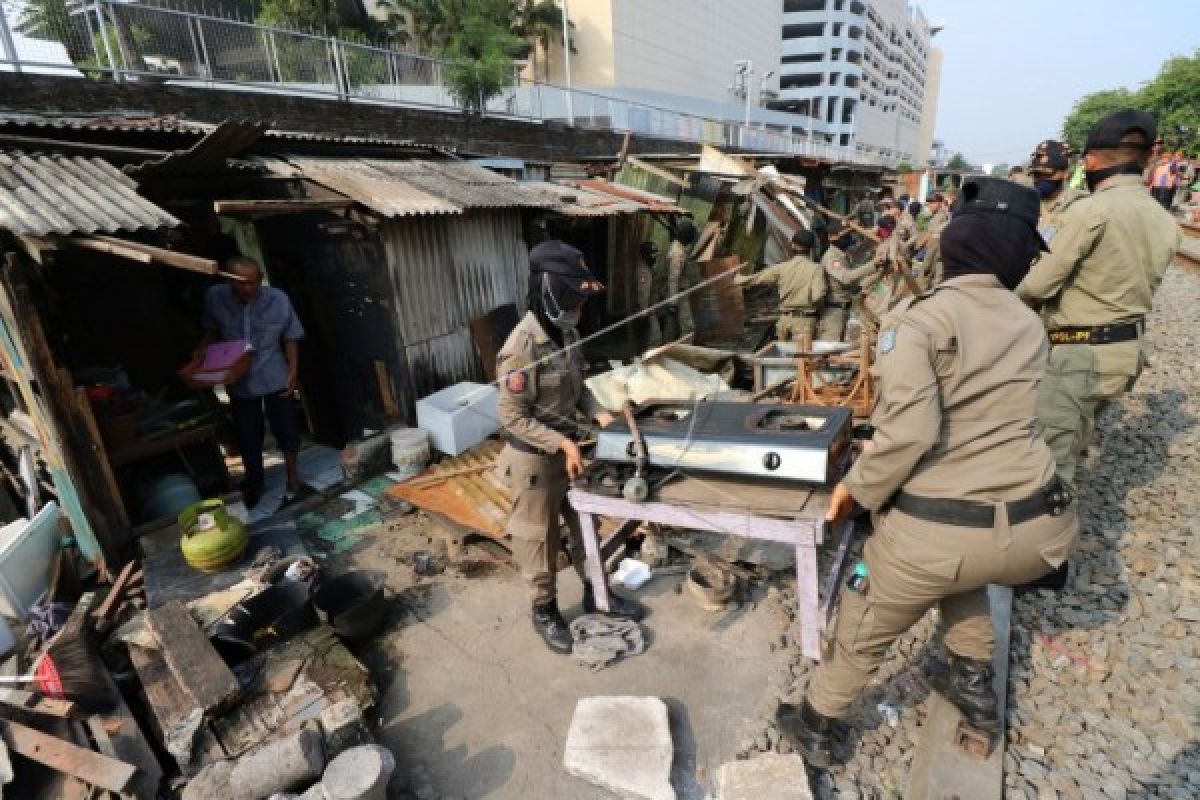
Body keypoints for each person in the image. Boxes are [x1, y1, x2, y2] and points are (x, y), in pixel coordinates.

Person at [777, 177, 1079, 767]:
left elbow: (909, 434)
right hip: (1040, 532)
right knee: (964, 570)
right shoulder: (1027, 321)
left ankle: (816, 722)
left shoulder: (918, 321)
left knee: (864, 624)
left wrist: (854, 492)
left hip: (936, 537)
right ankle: (974, 687)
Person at [1017, 110, 1181, 494]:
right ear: (1145, 159)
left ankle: (1049, 549)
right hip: (1126, 354)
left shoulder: (1089, 211)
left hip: (1078, 356)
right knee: (1076, 437)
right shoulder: (1163, 218)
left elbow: (1036, 286)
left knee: (1048, 472)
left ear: (1089, 161)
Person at [496, 239, 642, 654]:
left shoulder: (569, 333)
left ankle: (598, 593)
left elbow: (579, 390)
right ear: (549, 292)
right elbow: (512, 417)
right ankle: (545, 612)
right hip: (534, 464)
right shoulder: (520, 347)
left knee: (585, 530)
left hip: (569, 457)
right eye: (572, 296)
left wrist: (600, 416)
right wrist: (561, 441)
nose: (578, 306)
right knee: (537, 542)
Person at [198, 257, 304, 509]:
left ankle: (293, 479)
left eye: (254, 283)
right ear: (229, 279)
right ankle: (254, 484)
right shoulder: (215, 297)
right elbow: (212, 330)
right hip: (239, 381)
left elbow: (291, 338)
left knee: (287, 430)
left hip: (274, 375)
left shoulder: (278, 300)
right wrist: (202, 349)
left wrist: (293, 372)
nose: (249, 289)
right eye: (242, 283)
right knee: (248, 437)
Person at [734, 230, 826, 343]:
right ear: (811, 248)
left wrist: (737, 278)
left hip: (784, 321)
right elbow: (817, 296)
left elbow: (756, 278)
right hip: (805, 322)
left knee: (783, 354)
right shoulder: (816, 269)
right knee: (802, 358)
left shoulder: (781, 267)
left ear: (793, 245)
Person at [818, 221, 875, 341]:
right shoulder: (832, 257)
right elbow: (846, 278)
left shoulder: (843, 256)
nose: (847, 238)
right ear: (831, 237)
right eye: (843, 235)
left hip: (844, 309)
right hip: (834, 312)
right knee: (830, 350)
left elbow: (854, 285)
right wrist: (873, 265)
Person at [1029, 139, 1088, 245]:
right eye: (1036, 175)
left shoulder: (1080, 203)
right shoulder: (1027, 204)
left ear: (1065, 173)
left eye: (1047, 174)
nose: (1040, 179)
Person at [663, 219, 699, 341]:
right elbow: (673, 278)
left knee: (673, 328)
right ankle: (685, 354)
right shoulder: (677, 253)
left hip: (677, 293)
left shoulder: (678, 248)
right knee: (688, 328)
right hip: (678, 293)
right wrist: (673, 302)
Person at [916, 192, 950, 289]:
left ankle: (922, 289)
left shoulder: (941, 215)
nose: (930, 205)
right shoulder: (938, 214)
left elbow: (932, 234)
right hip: (938, 246)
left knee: (926, 269)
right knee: (937, 272)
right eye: (929, 203)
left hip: (936, 245)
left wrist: (920, 245)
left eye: (932, 202)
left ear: (939, 203)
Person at [636, 241, 664, 351]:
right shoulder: (644, 271)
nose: (655, 258)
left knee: (653, 336)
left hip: (652, 307)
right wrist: (644, 311)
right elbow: (643, 292)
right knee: (655, 338)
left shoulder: (648, 268)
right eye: (653, 256)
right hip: (647, 309)